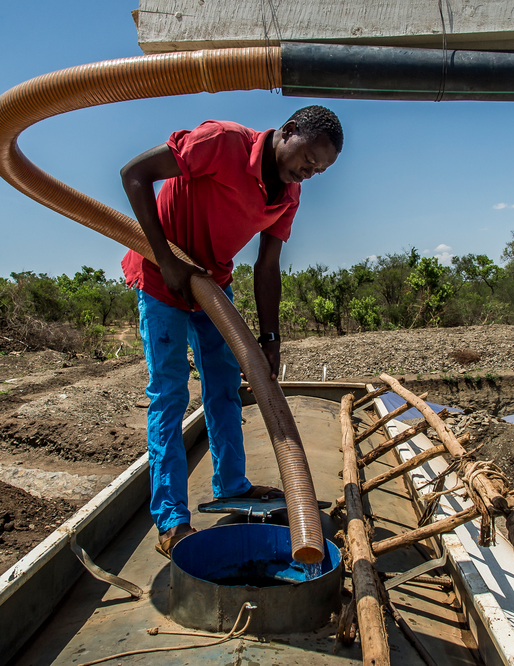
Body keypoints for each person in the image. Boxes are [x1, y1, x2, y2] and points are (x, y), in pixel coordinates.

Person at [120, 106, 343, 557]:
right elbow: (134, 174)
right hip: (162, 279)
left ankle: (231, 484)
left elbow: (267, 266)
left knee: (224, 387)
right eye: (309, 158)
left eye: (319, 169)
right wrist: (165, 259)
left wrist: (270, 338)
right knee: (169, 395)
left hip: (213, 287)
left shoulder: (290, 193)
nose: (310, 171)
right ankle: (171, 523)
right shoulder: (221, 142)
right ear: (290, 131)